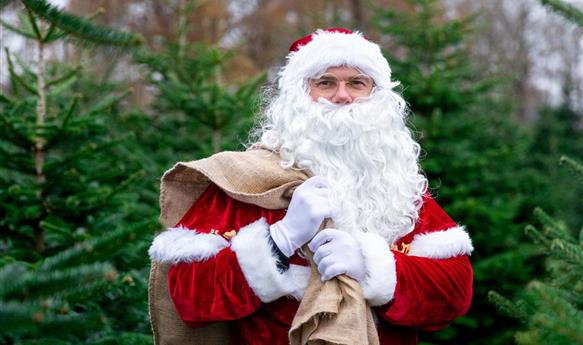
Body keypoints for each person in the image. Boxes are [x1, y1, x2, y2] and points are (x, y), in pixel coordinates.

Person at [149, 28, 474, 345]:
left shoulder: (396, 185)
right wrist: (279, 240)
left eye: (357, 83)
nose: (343, 96)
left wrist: (375, 267)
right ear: (298, 96)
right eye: (325, 83)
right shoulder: (246, 180)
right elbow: (190, 295)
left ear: (377, 95)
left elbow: (455, 291)